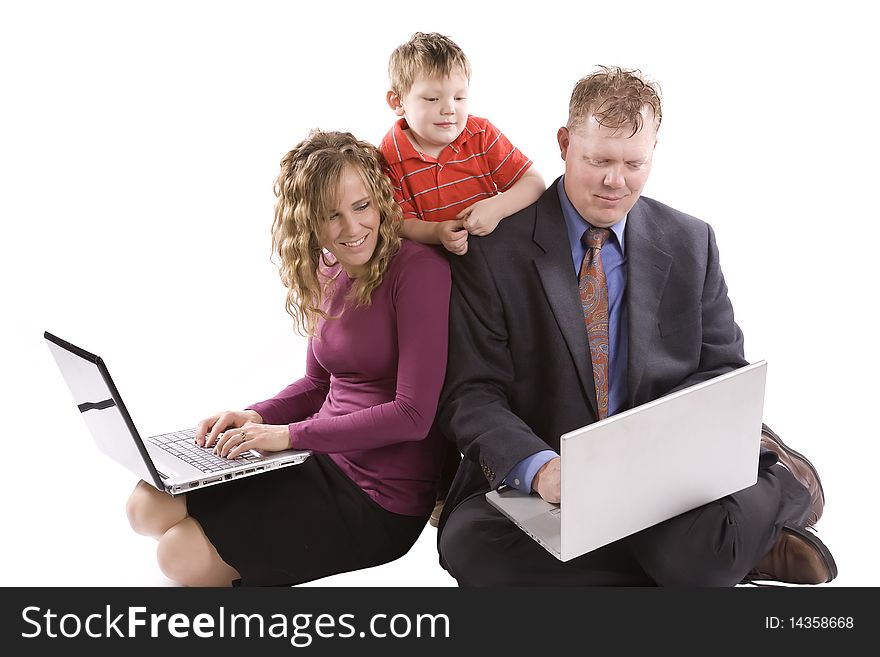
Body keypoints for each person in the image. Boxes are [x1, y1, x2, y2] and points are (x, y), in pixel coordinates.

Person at [435, 66, 836, 586]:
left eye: (633, 163)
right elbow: (471, 393)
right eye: (598, 160)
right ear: (563, 143)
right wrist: (541, 468)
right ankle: (740, 549)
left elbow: (722, 372)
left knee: (690, 557)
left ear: (654, 153)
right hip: (549, 479)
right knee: (472, 548)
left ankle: (784, 485)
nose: (614, 181)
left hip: (663, 480)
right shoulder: (493, 251)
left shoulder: (692, 241)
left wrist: (657, 456)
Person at [125, 130, 451, 586]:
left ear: (380, 199)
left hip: (378, 499)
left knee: (177, 555)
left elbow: (413, 416)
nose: (354, 228)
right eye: (331, 215)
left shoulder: (418, 272)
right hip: (316, 458)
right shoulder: (326, 266)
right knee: (145, 503)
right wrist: (254, 415)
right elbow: (317, 386)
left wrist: (288, 436)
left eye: (362, 207)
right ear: (308, 221)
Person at [379, 31, 546, 524]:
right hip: (434, 284)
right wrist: (434, 231)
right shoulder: (387, 154)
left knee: (500, 367)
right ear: (398, 101)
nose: (448, 110)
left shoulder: (480, 133)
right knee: (437, 378)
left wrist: (494, 209)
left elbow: (533, 182)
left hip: (494, 275)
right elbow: (391, 220)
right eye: (431, 99)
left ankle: (516, 458)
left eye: (458, 96)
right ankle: (441, 481)